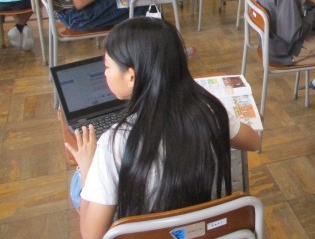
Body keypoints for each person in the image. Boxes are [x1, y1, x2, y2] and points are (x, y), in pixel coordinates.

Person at [65, 18, 261, 239]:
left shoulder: (113, 143)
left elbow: (91, 235)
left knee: (77, 185)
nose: (105, 73)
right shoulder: (210, 110)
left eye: (107, 66)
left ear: (131, 77)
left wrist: (87, 170)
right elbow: (254, 141)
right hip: (207, 231)